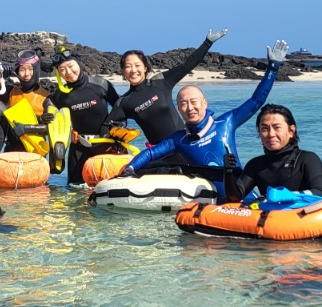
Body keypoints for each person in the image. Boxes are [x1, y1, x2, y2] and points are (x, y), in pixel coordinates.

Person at [119, 42, 289, 194]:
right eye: (184, 104)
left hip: (242, 197)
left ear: (205, 103)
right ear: (179, 109)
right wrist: (130, 168)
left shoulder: (226, 123)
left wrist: (273, 68)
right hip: (213, 206)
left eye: (194, 102)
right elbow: (150, 153)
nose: (190, 107)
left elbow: (256, 101)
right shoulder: (179, 140)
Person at [105, 29, 229, 146]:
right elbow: (106, 126)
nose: (133, 70)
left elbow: (187, 65)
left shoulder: (161, 82)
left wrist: (207, 42)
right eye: (128, 66)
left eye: (137, 65)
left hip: (186, 145)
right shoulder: (124, 102)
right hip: (159, 154)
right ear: (123, 71)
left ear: (145, 68)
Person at [229, 103, 322, 209]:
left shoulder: (307, 159)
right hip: (268, 222)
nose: (271, 134)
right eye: (265, 129)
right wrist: (228, 172)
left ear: (291, 131)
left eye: (277, 128)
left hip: (301, 220)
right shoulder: (256, 165)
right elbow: (234, 198)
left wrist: (276, 197)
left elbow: (319, 192)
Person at [47, 46, 121, 186]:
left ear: (78, 63)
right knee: (75, 190)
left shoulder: (100, 84)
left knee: (110, 188)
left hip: (106, 145)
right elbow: (56, 122)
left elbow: (120, 109)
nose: (68, 72)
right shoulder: (60, 95)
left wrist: (111, 126)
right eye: (62, 70)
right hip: (79, 148)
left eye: (70, 66)